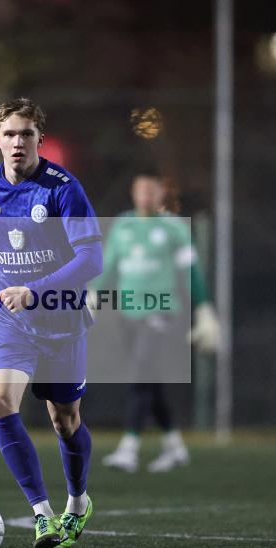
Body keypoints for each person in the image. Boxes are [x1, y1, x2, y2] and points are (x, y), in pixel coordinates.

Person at [0, 98, 102, 548]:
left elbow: (92, 258)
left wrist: (36, 290)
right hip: (9, 322)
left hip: (62, 320)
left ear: (40, 140)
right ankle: (42, 515)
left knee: (65, 422)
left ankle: (78, 502)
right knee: (1, 401)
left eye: (27, 134)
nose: (18, 142)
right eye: (10, 134)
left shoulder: (63, 189)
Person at [91, 171, 220, 473]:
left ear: (162, 193)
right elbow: (109, 265)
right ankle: (174, 447)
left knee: (140, 372)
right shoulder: (123, 226)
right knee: (148, 379)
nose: (146, 195)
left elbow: (191, 272)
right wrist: (94, 294)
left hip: (161, 312)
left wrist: (203, 309)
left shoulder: (174, 229)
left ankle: (129, 448)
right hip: (128, 314)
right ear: (133, 192)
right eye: (141, 189)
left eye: (152, 190)